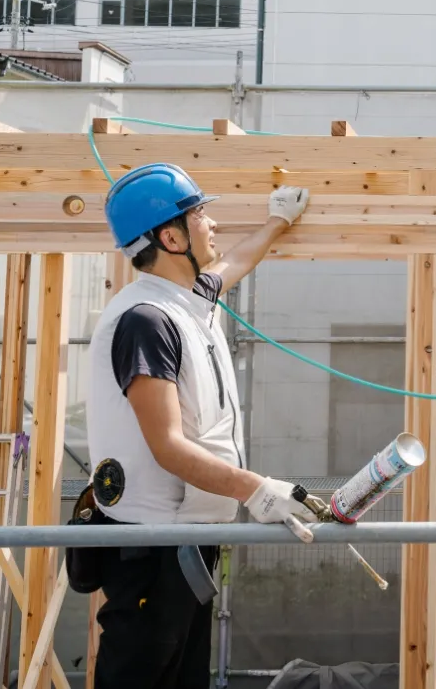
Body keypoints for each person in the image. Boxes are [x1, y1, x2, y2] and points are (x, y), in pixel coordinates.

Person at [81, 163, 325, 689]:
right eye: (199, 215)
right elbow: (167, 446)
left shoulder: (186, 301)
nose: (212, 224)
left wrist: (278, 221)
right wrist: (257, 490)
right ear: (171, 237)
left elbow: (234, 261)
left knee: (181, 676)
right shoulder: (146, 321)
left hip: (186, 538)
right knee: (141, 674)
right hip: (149, 547)